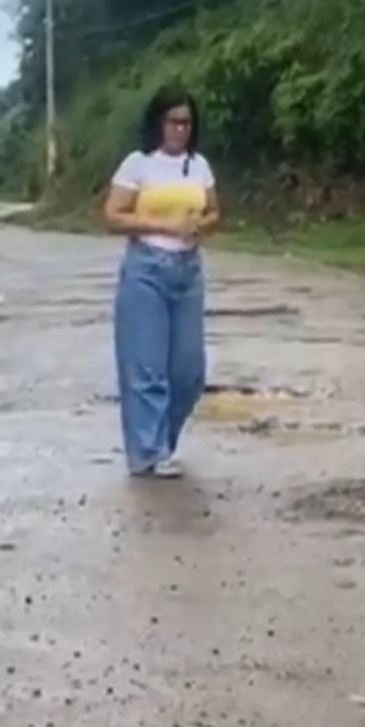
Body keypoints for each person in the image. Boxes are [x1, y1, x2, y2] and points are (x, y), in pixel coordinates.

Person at [103, 86, 220, 478]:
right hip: (146, 268)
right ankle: (148, 453)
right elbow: (113, 215)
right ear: (159, 123)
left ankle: (160, 442)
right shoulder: (139, 164)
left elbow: (215, 211)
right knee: (146, 368)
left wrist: (200, 224)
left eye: (186, 122)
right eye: (173, 121)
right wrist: (162, 224)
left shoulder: (198, 165)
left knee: (189, 371)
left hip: (187, 269)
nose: (180, 130)